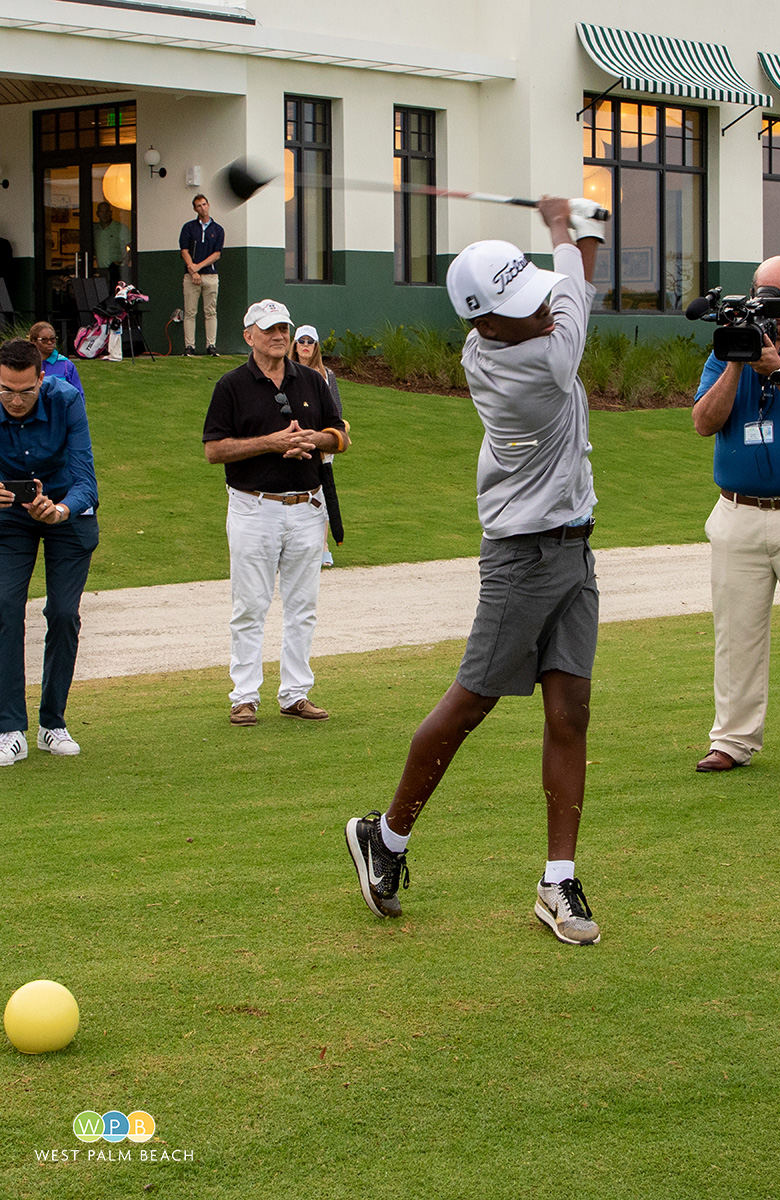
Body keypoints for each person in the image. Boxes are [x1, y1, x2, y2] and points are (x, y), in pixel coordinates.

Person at [345, 197, 605, 946]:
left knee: (571, 711)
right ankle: (384, 837)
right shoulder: (535, 366)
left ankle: (558, 881)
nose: (539, 313)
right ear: (487, 323)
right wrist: (568, 225)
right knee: (471, 703)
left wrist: (576, 234)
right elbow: (573, 296)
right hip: (521, 559)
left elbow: (564, 291)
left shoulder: (506, 336)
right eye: (520, 309)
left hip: (573, 549)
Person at [202, 298, 350, 725]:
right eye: (269, 330)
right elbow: (214, 450)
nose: (280, 336)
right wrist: (271, 442)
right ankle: (244, 696)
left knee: (303, 606)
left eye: (283, 328)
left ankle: (296, 693)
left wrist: (312, 440)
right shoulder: (231, 386)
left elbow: (340, 435)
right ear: (249, 336)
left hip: (307, 506)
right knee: (250, 606)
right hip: (254, 507)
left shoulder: (312, 380)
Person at [692, 256, 780, 773]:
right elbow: (703, 422)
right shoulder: (729, 346)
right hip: (737, 512)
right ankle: (732, 741)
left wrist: (778, 369)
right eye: (763, 294)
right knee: (735, 635)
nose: (769, 308)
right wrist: (736, 360)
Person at [0, 338, 99, 765]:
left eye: (25, 390)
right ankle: (8, 728)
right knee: (4, 606)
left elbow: (86, 481)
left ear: (42, 379)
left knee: (62, 613)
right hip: (8, 518)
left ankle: (52, 724)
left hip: (63, 513)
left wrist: (58, 510)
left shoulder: (67, 399)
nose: (15, 400)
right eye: (5, 390)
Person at [289, 324, 343, 566]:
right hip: (290, 441)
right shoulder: (285, 372)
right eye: (301, 341)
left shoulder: (326, 375)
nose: (305, 346)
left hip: (320, 444)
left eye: (310, 342)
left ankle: (322, 546)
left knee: (321, 494)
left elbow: (336, 413)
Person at [179, 194, 224, 357]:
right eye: (198, 206)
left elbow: (217, 254)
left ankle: (211, 345)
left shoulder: (217, 229)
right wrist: (193, 270)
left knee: (210, 311)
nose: (202, 208)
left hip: (210, 275)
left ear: (208, 205)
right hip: (191, 276)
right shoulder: (188, 228)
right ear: (194, 209)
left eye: (204, 204)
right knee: (190, 312)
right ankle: (189, 346)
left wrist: (199, 267)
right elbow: (184, 250)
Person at [28, 321, 85, 403]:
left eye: (52, 339)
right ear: (33, 341)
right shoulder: (27, 364)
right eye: (44, 340)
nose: (49, 342)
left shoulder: (66, 365)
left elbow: (78, 395)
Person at [93, 201, 130, 290]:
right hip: (101, 272)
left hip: (118, 272)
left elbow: (133, 247)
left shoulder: (120, 228)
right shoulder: (94, 229)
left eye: (107, 211)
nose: (104, 214)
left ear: (111, 213)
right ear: (97, 214)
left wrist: (124, 262)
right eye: (102, 211)